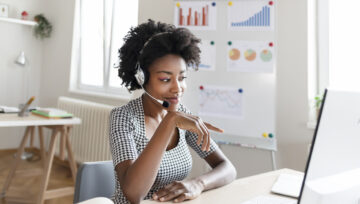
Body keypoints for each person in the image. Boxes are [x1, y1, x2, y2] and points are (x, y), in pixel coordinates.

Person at [109, 19, 237, 204]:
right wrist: (169, 122)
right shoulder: (123, 118)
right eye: (165, 79)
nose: (178, 88)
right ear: (141, 77)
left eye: (182, 77)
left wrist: (198, 183)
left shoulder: (182, 114)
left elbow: (227, 168)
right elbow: (134, 193)